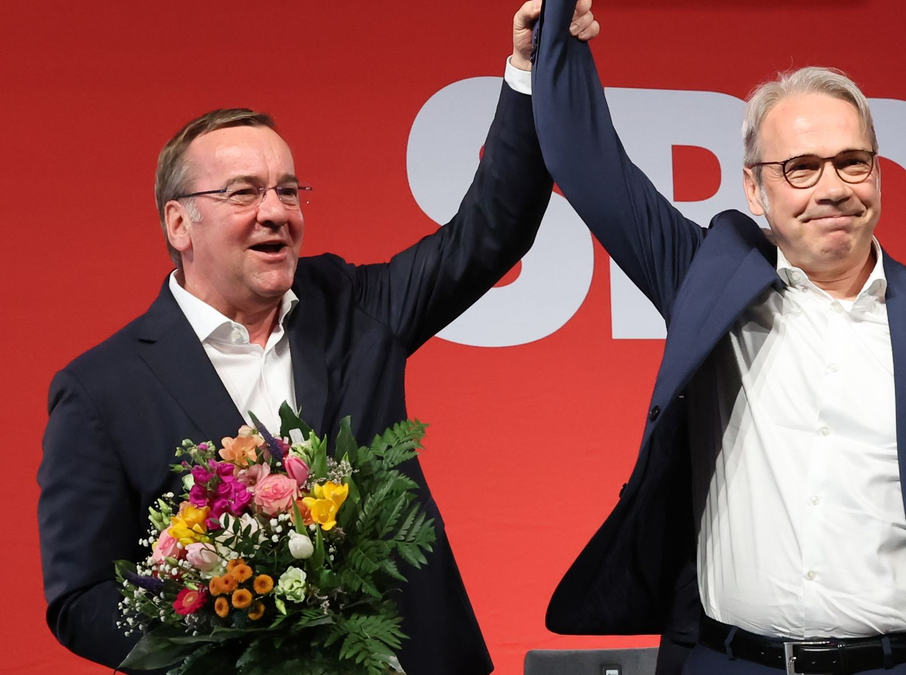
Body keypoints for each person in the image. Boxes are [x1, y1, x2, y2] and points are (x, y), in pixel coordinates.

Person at [527, 1, 906, 673]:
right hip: (733, 663)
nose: (833, 188)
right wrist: (556, 32)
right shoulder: (707, 281)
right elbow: (592, 168)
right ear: (755, 190)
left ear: (876, 175)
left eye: (852, 162)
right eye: (801, 168)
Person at [36, 3, 599, 672]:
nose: (276, 211)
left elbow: (490, 232)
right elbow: (83, 596)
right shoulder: (102, 389)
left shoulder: (354, 306)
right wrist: (226, 630)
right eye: (244, 193)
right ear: (179, 224)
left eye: (287, 189)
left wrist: (530, 71)